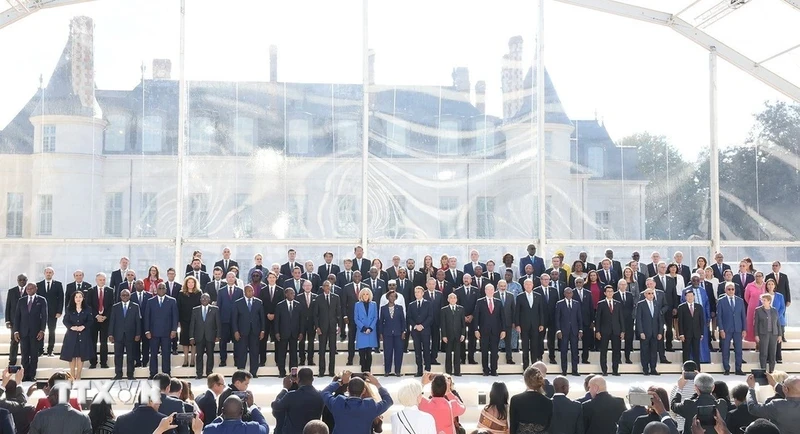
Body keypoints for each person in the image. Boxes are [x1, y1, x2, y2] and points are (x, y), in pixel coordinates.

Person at [322, 371, 392, 434]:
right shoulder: (370, 406)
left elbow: (325, 392)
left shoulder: (338, 403)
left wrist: (341, 382)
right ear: (364, 391)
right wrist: (377, 384)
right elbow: (388, 400)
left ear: (348, 389)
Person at [271, 368, 324, 434]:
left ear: (298, 379)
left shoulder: (291, 396)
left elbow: (276, 406)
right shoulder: (320, 396)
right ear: (313, 379)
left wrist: (285, 388)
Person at [13, 283, 47, 381]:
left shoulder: (41, 300)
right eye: (27, 288)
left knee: (33, 355)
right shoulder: (21, 301)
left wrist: (42, 330)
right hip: (23, 332)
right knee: (24, 354)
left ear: (36, 289)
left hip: (36, 333)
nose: (29, 289)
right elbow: (17, 317)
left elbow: (44, 316)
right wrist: (16, 331)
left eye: (31, 288)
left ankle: (32, 375)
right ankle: (24, 375)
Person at [144, 283, 179, 378]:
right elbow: (147, 317)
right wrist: (147, 330)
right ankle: (153, 374)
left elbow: (175, 317)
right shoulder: (150, 301)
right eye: (159, 288)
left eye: (163, 288)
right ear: (156, 290)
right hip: (153, 333)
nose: (161, 289)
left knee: (166, 353)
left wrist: (174, 330)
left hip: (167, 333)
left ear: (166, 289)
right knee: (153, 354)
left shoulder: (172, 301)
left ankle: (166, 373)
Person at [232, 285, 265, 377]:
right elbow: (234, 319)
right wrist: (236, 331)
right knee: (242, 352)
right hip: (242, 332)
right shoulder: (238, 303)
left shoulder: (258, 302)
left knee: (254, 352)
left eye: (252, 291)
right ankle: (241, 372)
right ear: (244, 292)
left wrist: (262, 330)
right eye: (249, 291)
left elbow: (262, 318)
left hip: (255, 331)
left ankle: (253, 372)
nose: (251, 292)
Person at [60, 290, 94, 380]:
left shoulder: (87, 309)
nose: (78, 299)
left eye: (80, 297)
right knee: (71, 355)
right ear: (73, 299)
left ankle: (78, 375)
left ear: (83, 298)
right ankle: (71, 375)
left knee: (80, 355)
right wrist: (71, 327)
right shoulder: (69, 309)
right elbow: (65, 320)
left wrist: (84, 326)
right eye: (76, 297)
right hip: (72, 335)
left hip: (83, 334)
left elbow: (90, 320)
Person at [474, 284, 505, 376]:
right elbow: (476, 317)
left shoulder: (498, 302)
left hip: (496, 331)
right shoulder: (480, 302)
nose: (490, 291)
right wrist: (476, 330)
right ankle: (485, 370)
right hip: (483, 331)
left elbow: (502, 317)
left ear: (494, 290)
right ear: (485, 290)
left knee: (494, 351)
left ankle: (494, 370)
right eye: (488, 289)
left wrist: (503, 330)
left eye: (492, 289)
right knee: (484, 351)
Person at [509, 367, 552, 434]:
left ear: (525, 380)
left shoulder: (515, 400)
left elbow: (513, 427)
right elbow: (548, 427)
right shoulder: (548, 402)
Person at [717, 282, 746, 375]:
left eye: (732, 289)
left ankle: (738, 369)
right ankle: (726, 368)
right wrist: (721, 329)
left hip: (738, 329)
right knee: (725, 349)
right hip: (726, 329)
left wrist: (744, 329)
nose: (731, 291)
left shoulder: (740, 301)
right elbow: (719, 316)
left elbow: (743, 316)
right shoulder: (721, 301)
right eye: (729, 289)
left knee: (738, 350)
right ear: (725, 290)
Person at [515, 278, 544, 370]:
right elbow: (517, 312)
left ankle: (534, 366)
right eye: (526, 284)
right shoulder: (520, 296)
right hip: (524, 325)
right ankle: (526, 366)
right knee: (525, 346)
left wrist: (541, 324)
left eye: (530, 284)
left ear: (533, 285)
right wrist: (517, 324)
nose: (528, 286)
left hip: (535, 325)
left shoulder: (538, 296)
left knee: (535, 345)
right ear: (524, 285)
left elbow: (541, 311)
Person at [189, 293, 220, 379]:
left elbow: (218, 324)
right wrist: (191, 337)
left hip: (210, 336)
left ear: (209, 300)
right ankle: (199, 373)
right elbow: (192, 324)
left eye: (206, 298)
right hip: (199, 336)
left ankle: (209, 372)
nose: (204, 300)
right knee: (199, 355)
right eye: (202, 298)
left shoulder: (215, 309)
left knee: (210, 355)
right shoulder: (195, 310)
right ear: (200, 300)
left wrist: (218, 335)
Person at [314, 280, 342, 377]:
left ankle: (331, 371)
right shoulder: (318, 298)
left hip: (332, 327)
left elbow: (339, 313)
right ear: (322, 287)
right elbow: (315, 315)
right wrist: (317, 327)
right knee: (322, 350)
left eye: (329, 286)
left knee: (332, 349)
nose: (327, 287)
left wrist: (340, 326)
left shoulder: (336, 297)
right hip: (322, 327)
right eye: (325, 286)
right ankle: (321, 371)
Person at [35, 267, 64, 357]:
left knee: (52, 331)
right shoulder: (38, 285)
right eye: (47, 272)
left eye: (50, 272)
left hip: (53, 313)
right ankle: (40, 350)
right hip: (41, 313)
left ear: (53, 273)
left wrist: (59, 311)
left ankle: (50, 350)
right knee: (40, 331)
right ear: (44, 273)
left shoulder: (58, 284)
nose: (48, 274)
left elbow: (61, 299)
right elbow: (36, 299)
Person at [596, 284, 623, 376]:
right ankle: (604, 370)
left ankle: (615, 370)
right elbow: (598, 319)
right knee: (603, 351)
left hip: (616, 330)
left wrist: (622, 331)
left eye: (611, 291)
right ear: (604, 293)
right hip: (604, 331)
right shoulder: (601, 304)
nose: (610, 293)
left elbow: (621, 318)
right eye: (608, 291)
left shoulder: (618, 303)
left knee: (616, 350)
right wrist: (597, 331)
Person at [87, 272, 113, 369]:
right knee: (93, 341)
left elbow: (111, 305)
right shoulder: (91, 290)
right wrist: (97, 315)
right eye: (100, 280)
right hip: (94, 320)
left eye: (103, 280)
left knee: (104, 342)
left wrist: (105, 316)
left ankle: (103, 362)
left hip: (105, 320)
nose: (102, 281)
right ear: (96, 280)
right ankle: (93, 362)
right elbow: (88, 305)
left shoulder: (110, 291)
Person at [343, 270, 369, 366]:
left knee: (363, 339)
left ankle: (363, 360)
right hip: (352, 318)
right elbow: (343, 303)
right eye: (355, 276)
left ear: (361, 277)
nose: (357, 277)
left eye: (358, 275)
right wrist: (345, 315)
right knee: (351, 338)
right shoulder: (347, 287)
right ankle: (350, 358)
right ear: (352, 277)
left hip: (363, 320)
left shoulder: (366, 287)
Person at [274, 287, 302, 378]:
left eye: (293, 293)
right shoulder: (279, 305)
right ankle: (282, 372)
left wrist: (301, 332)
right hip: (283, 333)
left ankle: (293, 373)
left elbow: (301, 320)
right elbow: (277, 320)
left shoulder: (298, 305)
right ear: (286, 294)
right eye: (291, 293)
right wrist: (277, 332)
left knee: (294, 354)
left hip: (294, 333)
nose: (293, 295)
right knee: (282, 353)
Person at [204, 395, 268, 434]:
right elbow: (265, 427)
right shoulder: (253, 428)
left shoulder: (210, 430)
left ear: (222, 411)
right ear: (242, 411)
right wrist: (252, 406)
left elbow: (210, 426)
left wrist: (222, 414)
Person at [219, 271, 244, 368]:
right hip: (224, 320)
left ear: (235, 278)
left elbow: (241, 307)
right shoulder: (221, 291)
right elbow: (219, 307)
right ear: (226, 278)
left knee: (237, 342)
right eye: (228, 277)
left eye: (232, 277)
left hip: (236, 321)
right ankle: (223, 360)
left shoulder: (239, 291)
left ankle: (237, 360)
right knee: (223, 342)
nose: (230, 279)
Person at [554, 287, 582, 376]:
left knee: (575, 351)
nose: (569, 294)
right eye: (567, 293)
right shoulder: (559, 304)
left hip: (574, 331)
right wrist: (558, 330)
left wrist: (580, 330)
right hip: (563, 331)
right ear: (564, 294)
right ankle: (564, 370)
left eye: (570, 293)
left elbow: (579, 318)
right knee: (564, 351)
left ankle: (575, 370)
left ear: (572, 294)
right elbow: (557, 318)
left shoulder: (576, 304)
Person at [636, 287, 663, 376]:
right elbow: (638, 319)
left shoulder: (657, 304)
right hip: (645, 332)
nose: (651, 295)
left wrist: (660, 332)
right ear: (645, 295)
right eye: (649, 293)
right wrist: (641, 332)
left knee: (654, 351)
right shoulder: (641, 304)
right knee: (644, 351)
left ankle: (653, 369)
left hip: (655, 332)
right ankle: (645, 369)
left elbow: (660, 319)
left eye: (652, 293)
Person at [378, 290, 405, 376]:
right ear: (388, 297)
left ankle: (398, 371)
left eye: (394, 296)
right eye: (391, 296)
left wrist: (403, 331)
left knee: (399, 352)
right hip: (387, 333)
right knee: (387, 352)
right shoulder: (383, 308)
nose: (392, 298)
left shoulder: (400, 308)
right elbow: (381, 322)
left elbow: (403, 321)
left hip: (398, 333)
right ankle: (387, 371)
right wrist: (381, 333)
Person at [407, 286, 432, 376]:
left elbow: (430, 316)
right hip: (415, 331)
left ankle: (427, 370)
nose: (417, 294)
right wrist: (415, 325)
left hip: (425, 330)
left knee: (426, 350)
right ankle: (419, 370)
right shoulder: (411, 305)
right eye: (415, 292)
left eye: (418, 292)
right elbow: (409, 317)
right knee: (417, 351)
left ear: (422, 293)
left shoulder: (428, 304)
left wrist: (422, 325)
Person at [177, 276, 201, 368]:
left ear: (195, 284)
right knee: (185, 340)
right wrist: (178, 321)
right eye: (189, 282)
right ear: (186, 284)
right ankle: (185, 359)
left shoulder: (199, 293)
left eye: (192, 282)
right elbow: (178, 307)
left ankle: (192, 360)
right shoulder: (181, 293)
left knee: (193, 340)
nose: (190, 284)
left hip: (195, 320)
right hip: (184, 320)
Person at [534, 274, 559, 364]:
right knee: (540, 338)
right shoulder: (536, 290)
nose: (546, 281)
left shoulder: (554, 290)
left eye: (547, 279)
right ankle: (539, 356)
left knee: (551, 338)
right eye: (544, 279)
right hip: (541, 319)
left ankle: (552, 357)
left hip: (552, 318)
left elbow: (557, 304)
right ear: (540, 280)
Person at [754, 293, 780, 372]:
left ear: (769, 301)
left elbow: (778, 323)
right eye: (762, 300)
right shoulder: (758, 310)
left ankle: (771, 371)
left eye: (764, 300)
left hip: (773, 334)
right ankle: (763, 371)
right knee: (763, 353)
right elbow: (756, 324)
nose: (763, 302)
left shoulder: (774, 310)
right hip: (763, 334)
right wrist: (756, 335)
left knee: (772, 353)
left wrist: (780, 335)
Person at [5, 274, 27, 366]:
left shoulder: (30, 290)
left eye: (24, 279)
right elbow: (8, 306)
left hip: (26, 321)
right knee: (14, 341)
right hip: (14, 321)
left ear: (26, 280)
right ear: (17, 280)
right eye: (20, 280)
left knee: (24, 341)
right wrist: (7, 320)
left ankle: (24, 361)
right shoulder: (11, 291)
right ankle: (12, 360)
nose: (22, 281)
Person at [677, 289, 704, 363]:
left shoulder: (699, 307)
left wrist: (702, 333)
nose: (690, 297)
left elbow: (701, 321)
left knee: (696, 352)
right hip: (686, 334)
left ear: (694, 297)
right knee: (686, 352)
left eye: (691, 296)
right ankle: (686, 369)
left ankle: (697, 369)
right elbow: (680, 322)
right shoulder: (681, 307)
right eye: (688, 296)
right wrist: (681, 334)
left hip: (696, 333)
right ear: (685, 297)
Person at [355, 288, 378, 372]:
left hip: (371, 331)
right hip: (362, 331)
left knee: (369, 353)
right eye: (364, 294)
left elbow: (375, 317)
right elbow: (356, 318)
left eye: (367, 294)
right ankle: (363, 370)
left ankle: (368, 371)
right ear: (361, 295)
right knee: (362, 353)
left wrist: (370, 328)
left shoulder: (374, 304)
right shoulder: (357, 304)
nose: (365, 296)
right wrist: (364, 328)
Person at [423, 277, 445, 364]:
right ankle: (426, 359)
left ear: (435, 285)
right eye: (430, 284)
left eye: (433, 284)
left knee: (436, 341)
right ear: (426, 285)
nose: (431, 286)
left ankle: (433, 358)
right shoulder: (423, 294)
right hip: (426, 322)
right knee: (426, 341)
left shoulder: (440, 294)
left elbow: (442, 308)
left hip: (436, 322)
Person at [764, 279, 786, 363]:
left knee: (778, 339)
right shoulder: (763, 296)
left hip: (778, 320)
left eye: (772, 284)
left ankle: (778, 357)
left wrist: (776, 316)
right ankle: (769, 357)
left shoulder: (780, 296)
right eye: (768, 284)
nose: (770, 285)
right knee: (768, 339)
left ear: (774, 285)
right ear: (766, 286)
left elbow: (782, 308)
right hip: (767, 321)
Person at [495, 279, 516, 365]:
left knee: (508, 342)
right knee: (495, 341)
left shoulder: (510, 296)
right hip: (496, 323)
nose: (503, 287)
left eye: (504, 286)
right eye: (501, 286)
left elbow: (513, 309)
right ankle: (495, 358)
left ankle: (509, 358)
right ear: (498, 286)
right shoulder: (494, 295)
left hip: (508, 322)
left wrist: (514, 322)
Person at [744, 271, 766, 342]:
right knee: (751, 322)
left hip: (764, 308)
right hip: (752, 308)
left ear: (763, 277)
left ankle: (761, 340)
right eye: (757, 276)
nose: (758, 277)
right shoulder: (750, 285)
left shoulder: (765, 285)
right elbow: (746, 297)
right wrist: (752, 303)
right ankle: (750, 338)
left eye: (760, 276)